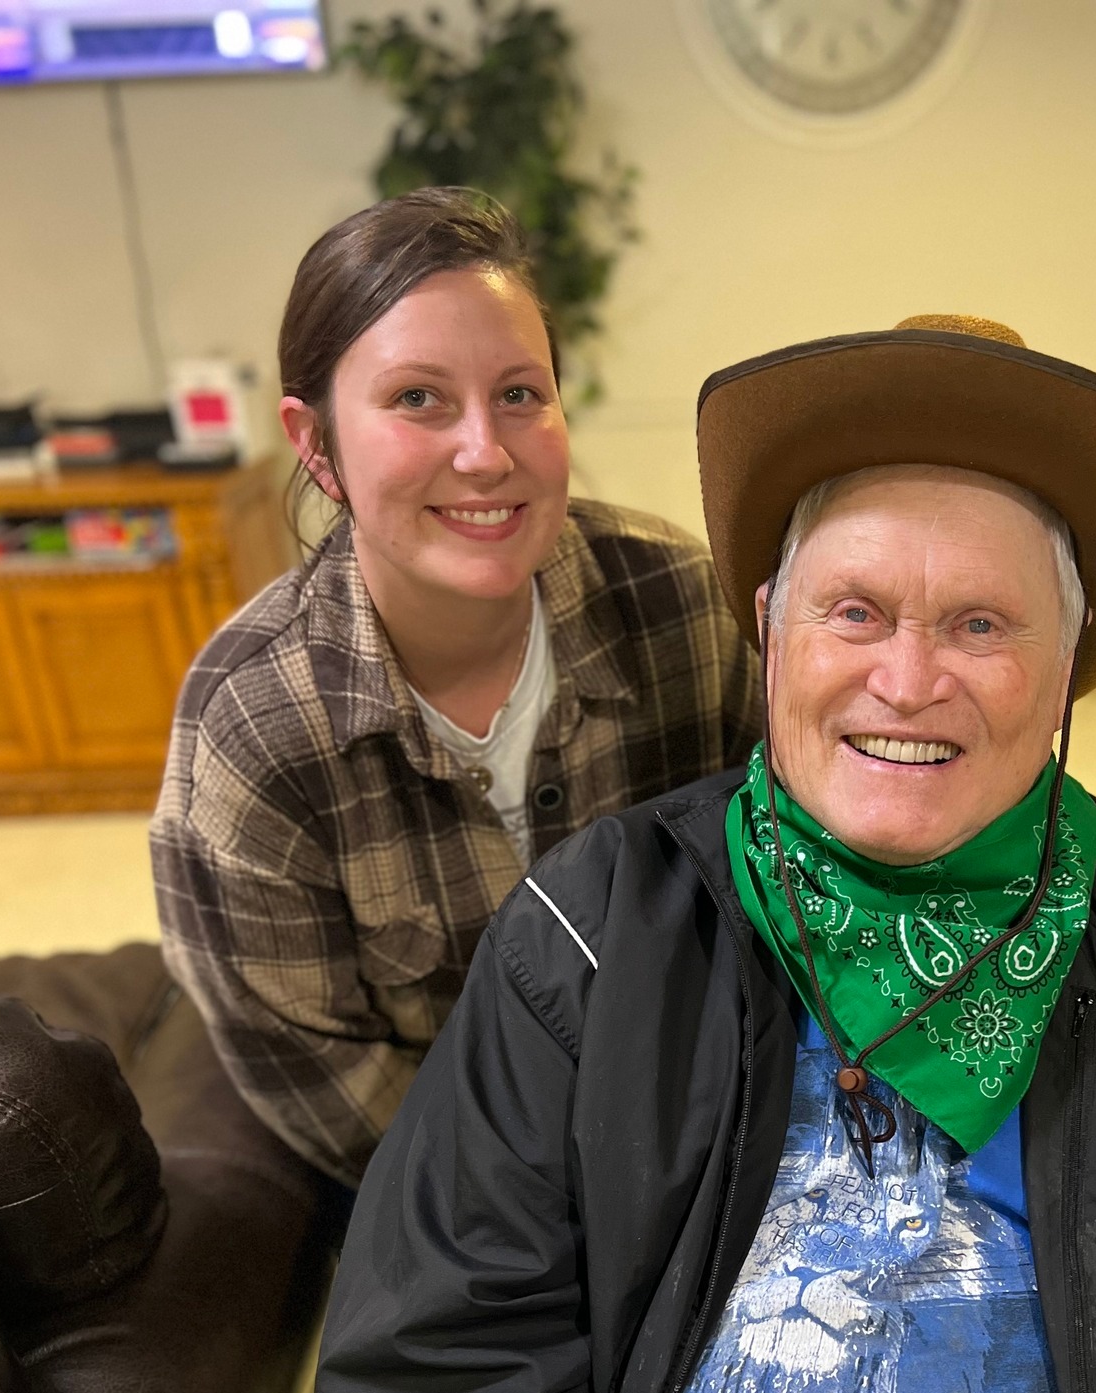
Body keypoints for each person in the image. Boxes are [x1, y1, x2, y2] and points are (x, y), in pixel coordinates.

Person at [316, 314, 1096, 1390]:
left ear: (1067, 667)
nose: (908, 683)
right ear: (771, 629)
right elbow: (443, 1350)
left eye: (980, 624)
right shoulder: (588, 937)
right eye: (855, 612)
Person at [149, 188, 763, 1190]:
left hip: (698, 1130)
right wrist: (565, 1197)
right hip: (457, 1193)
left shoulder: (680, 604)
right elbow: (327, 1084)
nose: (486, 452)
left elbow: (779, 892)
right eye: (417, 399)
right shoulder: (251, 732)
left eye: (520, 393)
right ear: (316, 444)